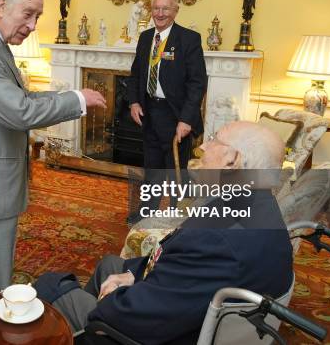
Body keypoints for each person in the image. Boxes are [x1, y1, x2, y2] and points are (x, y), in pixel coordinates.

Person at [35, 121, 294, 344]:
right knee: (112, 266)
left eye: (214, 139)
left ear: (231, 160)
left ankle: (85, 332)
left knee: (52, 285)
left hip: (161, 334)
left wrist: (112, 302)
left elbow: (138, 317)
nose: (203, 146)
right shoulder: (259, 203)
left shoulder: (216, 241)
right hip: (191, 308)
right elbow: (180, 266)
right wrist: (131, 275)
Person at [0, 0, 107, 293]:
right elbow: (20, 112)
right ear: (2, 5)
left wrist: (73, 97)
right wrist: (76, 100)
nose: (33, 25)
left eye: (38, 17)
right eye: (28, 14)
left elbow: (23, 99)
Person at [127, 0, 207, 217]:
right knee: (152, 168)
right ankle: (146, 213)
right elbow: (135, 75)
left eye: (166, 9)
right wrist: (134, 102)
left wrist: (186, 119)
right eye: (156, 8)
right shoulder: (145, 38)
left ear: (175, 11)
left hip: (176, 116)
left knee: (175, 170)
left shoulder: (189, 39)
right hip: (150, 112)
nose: (160, 13)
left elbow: (197, 83)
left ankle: (176, 216)